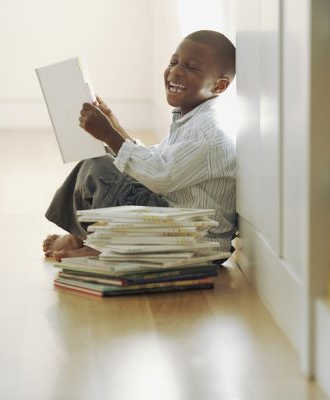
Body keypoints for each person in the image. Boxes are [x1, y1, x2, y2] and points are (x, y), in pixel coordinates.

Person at [42, 30, 237, 260]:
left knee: (101, 167)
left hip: (193, 239)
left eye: (191, 67)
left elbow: (158, 176)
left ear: (219, 86)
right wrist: (115, 129)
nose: (175, 71)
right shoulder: (194, 120)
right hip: (174, 220)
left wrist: (110, 135)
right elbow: (154, 159)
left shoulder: (206, 131)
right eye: (174, 62)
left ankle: (97, 244)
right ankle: (86, 237)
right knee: (107, 155)